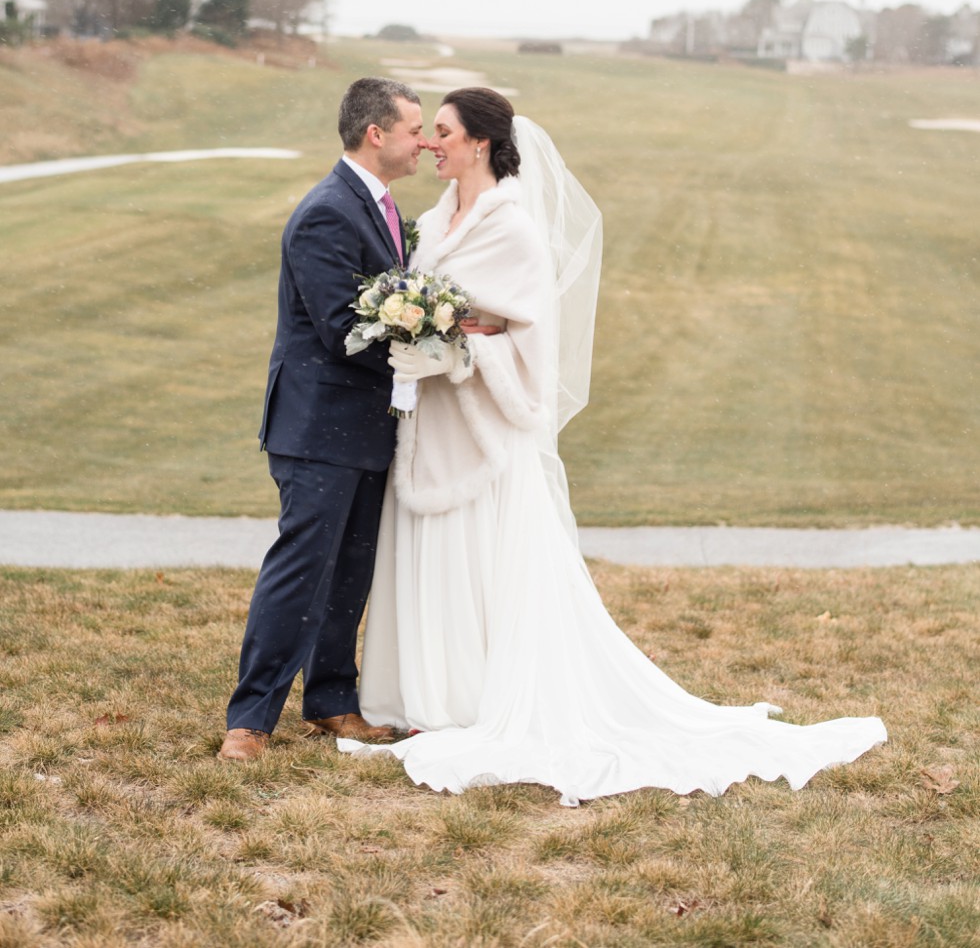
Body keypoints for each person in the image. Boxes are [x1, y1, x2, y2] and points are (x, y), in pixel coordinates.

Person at [340, 88, 887, 804]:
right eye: (428, 132)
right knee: (428, 553)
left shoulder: (514, 228)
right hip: (434, 428)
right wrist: (427, 335)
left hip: (488, 435)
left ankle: (469, 703)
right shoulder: (437, 222)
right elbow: (450, 311)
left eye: (441, 132)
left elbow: (525, 341)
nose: (429, 143)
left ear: (479, 143)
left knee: (481, 564)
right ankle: (423, 701)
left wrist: (459, 354)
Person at [218, 77, 427, 762]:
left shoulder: (385, 208)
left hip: (367, 425)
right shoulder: (327, 213)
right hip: (319, 426)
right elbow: (342, 329)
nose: (422, 141)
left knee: (350, 571)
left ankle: (333, 700)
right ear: (377, 134)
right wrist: (431, 347)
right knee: (302, 570)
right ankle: (249, 721)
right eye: (413, 129)